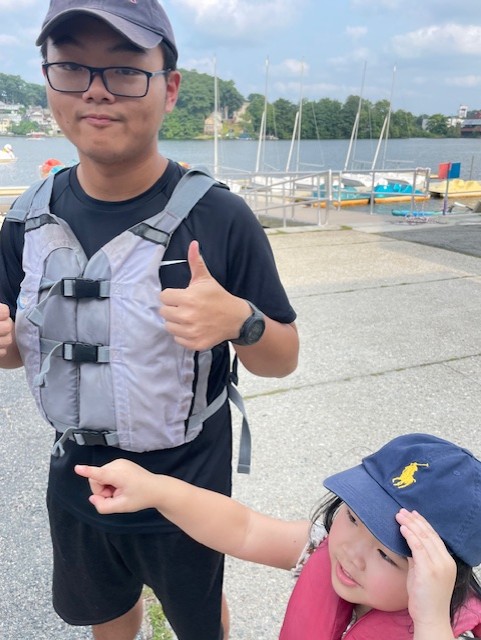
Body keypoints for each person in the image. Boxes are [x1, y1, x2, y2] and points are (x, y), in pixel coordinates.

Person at [0, 1, 299, 639]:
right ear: (49, 79)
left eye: (125, 71)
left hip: (188, 474)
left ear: (169, 87)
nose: (97, 92)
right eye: (72, 69)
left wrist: (240, 321)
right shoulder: (25, 221)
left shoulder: (219, 217)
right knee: (104, 610)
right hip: (79, 472)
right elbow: (16, 346)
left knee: (198, 615)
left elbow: (283, 357)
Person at [75, 433, 481, 640]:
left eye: (388, 555)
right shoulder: (324, 546)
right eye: (354, 518)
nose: (352, 554)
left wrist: (430, 618)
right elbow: (245, 530)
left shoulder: (446, 629)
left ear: (438, 578)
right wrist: (158, 490)